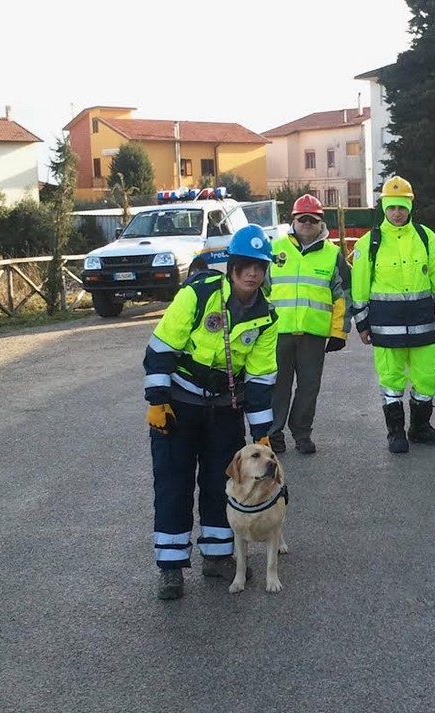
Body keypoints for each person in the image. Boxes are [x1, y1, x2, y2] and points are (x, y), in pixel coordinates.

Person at [143, 223, 278, 600]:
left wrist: (262, 432)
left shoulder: (266, 317)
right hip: (179, 405)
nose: (253, 272)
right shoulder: (198, 294)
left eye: (260, 266)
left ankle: (218, 557)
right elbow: (162, 346)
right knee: (174, 483)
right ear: (232, 266)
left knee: (225, 484)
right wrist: (157, 401)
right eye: (247, 264)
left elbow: (262, 377)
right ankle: (171, 568)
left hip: (224, 410)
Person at [350, 176, 435, 454]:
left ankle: (420, 429)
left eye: (402, 207)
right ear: (383, 207)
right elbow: (358, 286)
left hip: (422, 322)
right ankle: (395, 433)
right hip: (386, 326)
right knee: (391, 380)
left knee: (427, 378)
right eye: (391, 207)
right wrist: (361, 323)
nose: (397, 213)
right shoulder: (368, 243)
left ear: (410, 207)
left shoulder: (425, 236)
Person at [267, 194, 351, 455]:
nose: (305, 223)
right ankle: (273, 434)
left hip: (313, 336)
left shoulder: (333, 254)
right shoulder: (275, 249)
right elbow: (261, 289)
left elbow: (343, 296)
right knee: (277, 386)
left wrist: (339, 332)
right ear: (292, 220)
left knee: (309, 387)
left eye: (311, 219)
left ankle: (302, 434)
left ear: (321, 223)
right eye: (300, 218)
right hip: (277, 334)